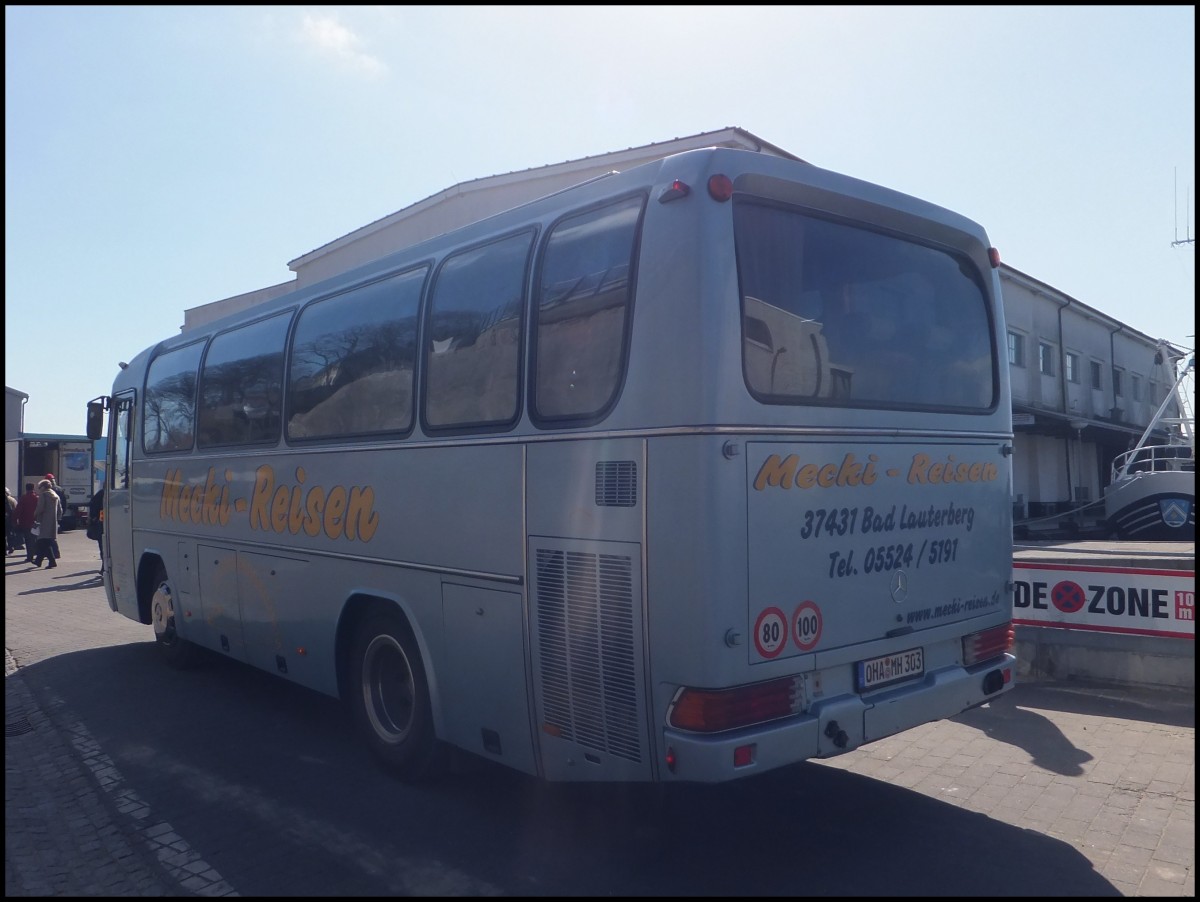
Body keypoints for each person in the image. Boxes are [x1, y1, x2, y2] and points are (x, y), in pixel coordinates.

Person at [32, 478, 60, 569]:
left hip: (44, 521)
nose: (39, 489)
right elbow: (60, 509)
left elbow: (40, 508)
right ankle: (38, 561)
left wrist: (34, 514)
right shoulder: (55, 495)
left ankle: (51, 561)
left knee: (43, 541)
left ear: (43, 487)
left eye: (40, 487)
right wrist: (58, 518)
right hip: (53, 521)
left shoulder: (43, 495)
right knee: (45, 541)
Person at [45, 473, 67, 557]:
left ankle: (53, 553)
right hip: (58, 514)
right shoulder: (60, 489)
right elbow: (64, 503)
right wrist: (62, 513)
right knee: (52, 534)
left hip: (49, 515)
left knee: (49, 535)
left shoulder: (47, 491)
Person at [15, 483, 38, 563]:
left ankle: (30, 556)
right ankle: (36, 553)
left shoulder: (23, 498)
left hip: (25, 522)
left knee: (28, 540)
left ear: (26, 488)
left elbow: (18, 510)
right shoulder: (37, 498)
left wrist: (15, 520)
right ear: (33, 488)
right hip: (35, 522)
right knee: (35, 538)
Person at [87, 486, 105, 575]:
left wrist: (94, 518)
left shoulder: (101, 493)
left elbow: (92, 505)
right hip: (111, 524)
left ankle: (104, 567)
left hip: (102, 525)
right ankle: (105, 567)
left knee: (103, 547)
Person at [4, 486, 16, 554]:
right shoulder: (12, 499)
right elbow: (15, 508)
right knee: (10, 534)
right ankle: (11, 546)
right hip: (9, 519)